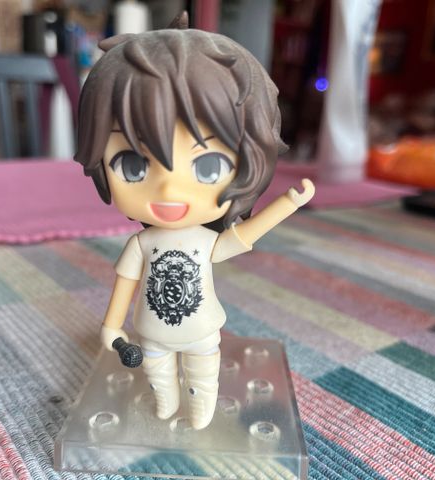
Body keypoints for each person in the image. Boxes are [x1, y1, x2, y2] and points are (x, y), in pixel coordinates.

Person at [75, 12, 315, 430]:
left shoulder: (204, 242)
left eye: (207, 167)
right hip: (150, 333)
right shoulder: (141, 245)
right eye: (132, 164)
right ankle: (166, 405)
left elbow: (241, 237)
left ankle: (200, 411)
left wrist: (286, 205)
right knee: (160, 381)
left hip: (203, 332)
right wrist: (112, 327)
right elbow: (124, 287)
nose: (169, 189)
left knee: (202, 383)